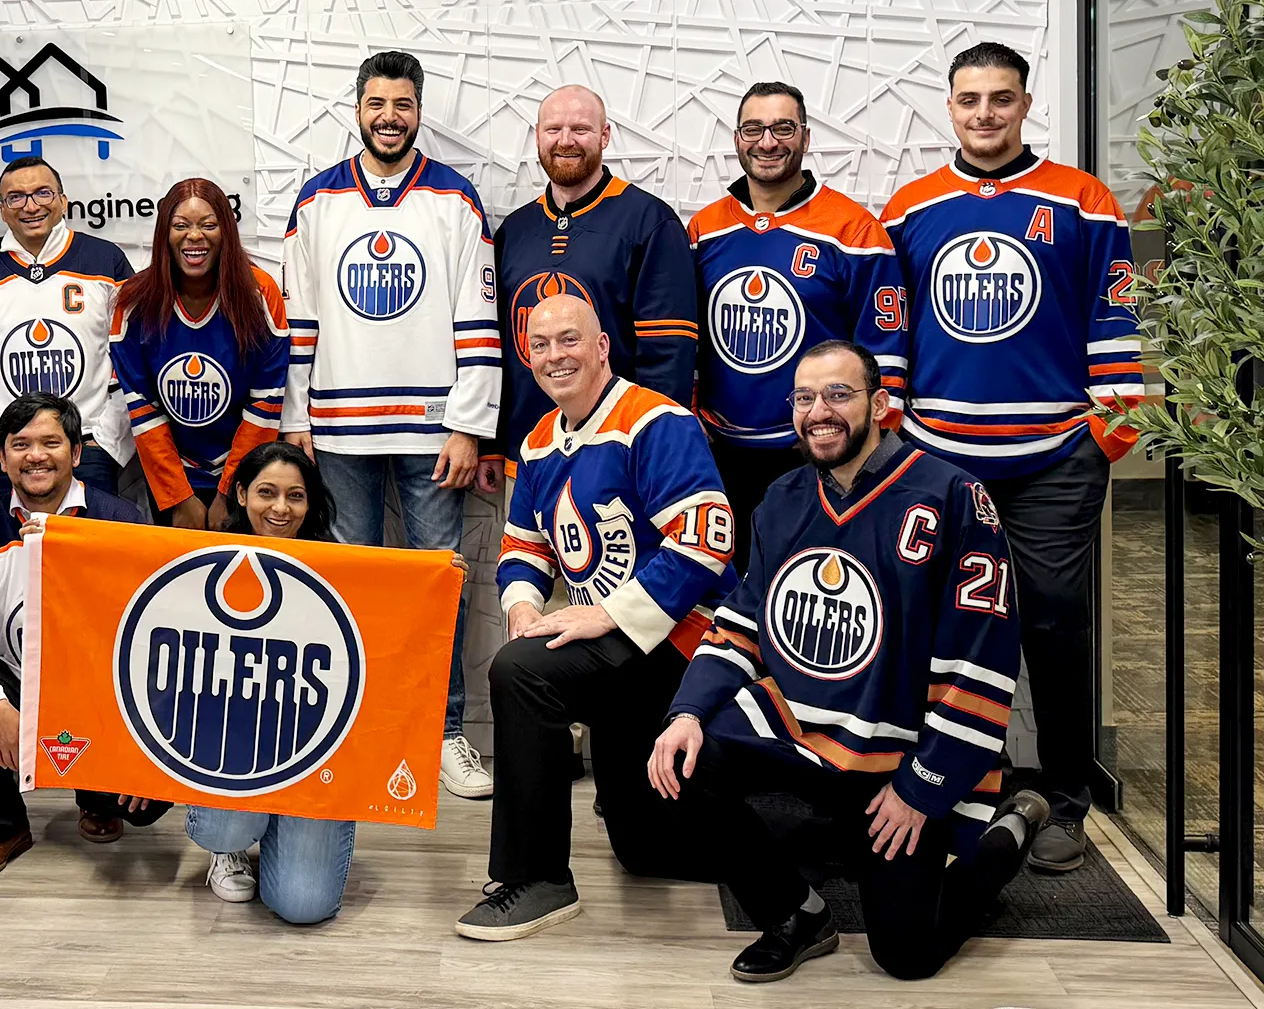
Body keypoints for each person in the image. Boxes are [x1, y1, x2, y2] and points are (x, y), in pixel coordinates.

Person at [647, 340, 1050, 982]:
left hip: (904, 751)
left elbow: (985, 657)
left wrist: (923, 786)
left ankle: (1014, 828)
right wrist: (688, 710)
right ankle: (797, 914)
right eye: (804, 398)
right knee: (681, 762)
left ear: (880, 404)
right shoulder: (781, 498)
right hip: (806, 733)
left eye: (838, 394)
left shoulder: (953, 496)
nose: (818, 412)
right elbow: (742, 621)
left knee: (907, 957)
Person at [881, 41, 1141, 872]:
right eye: (968, 100)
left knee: (1056, 623)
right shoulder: (911, 208)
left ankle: (1067, 799)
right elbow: (893, 333)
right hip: (940, 461)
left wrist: (1107, 430)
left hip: (1053, 458)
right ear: (949, 107)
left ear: (1026, 104)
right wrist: (892, 431)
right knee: (926, 625)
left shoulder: (1082, 200)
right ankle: (935, 785)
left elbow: (1114, 322)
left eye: (1001, 99)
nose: (984, 114)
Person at [453, 295, 735, 942]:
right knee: (644, 850)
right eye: (542, 343)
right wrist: (524, 603)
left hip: (688, 646)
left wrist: (603, 614)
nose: (557, 355)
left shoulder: (655, 421)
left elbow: (704, 542)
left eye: (570, 340)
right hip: (624, 652)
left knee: (522, 672)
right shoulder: (539, 443)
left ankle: (539, 878)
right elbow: (523, 545)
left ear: (602, 347)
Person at [279, 49, 498, 798]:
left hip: (433, 427)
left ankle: (441, 733)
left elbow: (477, 318)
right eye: (377, 103)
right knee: (349, 583)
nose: (389, 117)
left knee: (440, 585)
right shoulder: (316, 201)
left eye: (402, 105)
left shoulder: (455, 199)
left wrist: (470, 423)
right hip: (338, 428)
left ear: (418, 111)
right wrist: (295, 415)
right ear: (357, 107)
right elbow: (299, 319)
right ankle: (365, 728)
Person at [0, 393, 174, 881]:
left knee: (146, 808)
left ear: (77, 453)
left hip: (104, 694)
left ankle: (98, 798)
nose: (35, 455)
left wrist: (142, 752)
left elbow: (157, 635)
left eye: (50, 442)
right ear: (1, 457)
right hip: (18, 690)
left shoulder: (123, 522)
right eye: (20, 444)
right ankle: (3, 827)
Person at [689, 81, 910, 573]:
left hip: (818, 451)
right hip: (722, 455)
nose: (767, 142)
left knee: (812, 591)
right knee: (728, 594)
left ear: (806, 138)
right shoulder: (704, 230)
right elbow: (689, 341)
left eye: (783, 128)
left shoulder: (852, 230)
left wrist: (866, 442)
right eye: (754, 129)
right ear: (737, 138)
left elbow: (885, 348)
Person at [181, 441, 360, 922]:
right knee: (224, 827)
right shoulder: (202, 561)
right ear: (240, 494)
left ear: (310, 502)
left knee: (304, 906)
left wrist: (439, 582)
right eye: (266, 492)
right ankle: (231, 846)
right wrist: (47, 538)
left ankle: (286, 824)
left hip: (313, 751)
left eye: (295, 496)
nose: (281, 508)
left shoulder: (345, 569)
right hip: (230, 746)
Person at [493, 83, 698, 461]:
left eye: (580, 129)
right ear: (538, 136)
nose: (565, 140)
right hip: (527, 453)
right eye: (553, 129)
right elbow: (499, 346)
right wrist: (492, 444)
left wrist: (654, 446)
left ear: (604, 136)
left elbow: (668, 354)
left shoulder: (650, 222)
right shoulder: (515, 230)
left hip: (617, 452)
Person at [0, 156, 136, 505]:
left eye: (43, 193)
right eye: (15, 197)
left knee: (90, 558)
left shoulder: (106, 261)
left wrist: (105, 443)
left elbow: (134, 362)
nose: (30, 206)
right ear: (2, 210)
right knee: (14, 557)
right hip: (11, 457)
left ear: (63, 200)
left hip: (89, 450)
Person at [110, 178, 290, 527]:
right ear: (165, 233)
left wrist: (231, 490)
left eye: (209, 225)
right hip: (173, 475)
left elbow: (266, 403)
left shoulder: (260, 293)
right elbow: (142, 407)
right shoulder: (134, 301)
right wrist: (179, 496)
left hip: (246, 473)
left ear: (226, 231)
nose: (195, 236)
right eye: (181, 226)